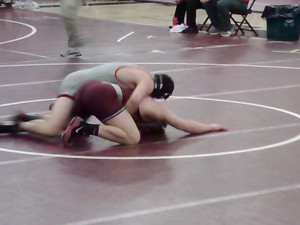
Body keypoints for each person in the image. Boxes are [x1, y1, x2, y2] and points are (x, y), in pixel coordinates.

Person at [2, 63, 174, 139]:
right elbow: (133, 102)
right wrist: (128, 122)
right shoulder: (146, 83)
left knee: (65, 123)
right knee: (52, 129)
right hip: (75, 86)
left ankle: (29, 117)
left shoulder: (139, 72)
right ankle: (18, 125)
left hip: (83, 86)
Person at [61, 82, 227, 145]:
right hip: (98, 94)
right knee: (133, 138)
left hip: (88, 88)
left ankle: (34, 119)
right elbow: (183, 124)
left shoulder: (141, 95)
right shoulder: (155, 109)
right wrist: (211, 127)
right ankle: (83, 128)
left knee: (57, 125)